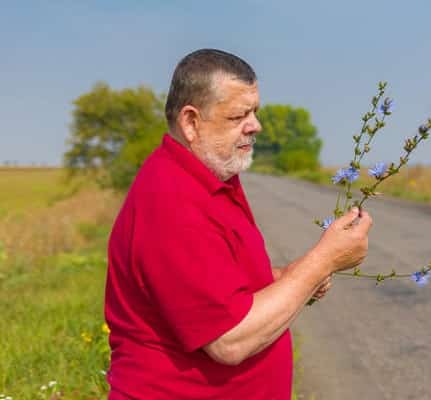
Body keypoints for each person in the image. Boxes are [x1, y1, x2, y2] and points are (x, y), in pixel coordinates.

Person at [104, 49, 372, 400]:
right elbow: (229, 340)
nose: (255, 125)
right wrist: (323, 260)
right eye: (238, 115)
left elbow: (217, 281)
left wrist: (292, 275)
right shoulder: (172, 201)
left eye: (255, 111)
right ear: (191, 122)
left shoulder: (212, 175)